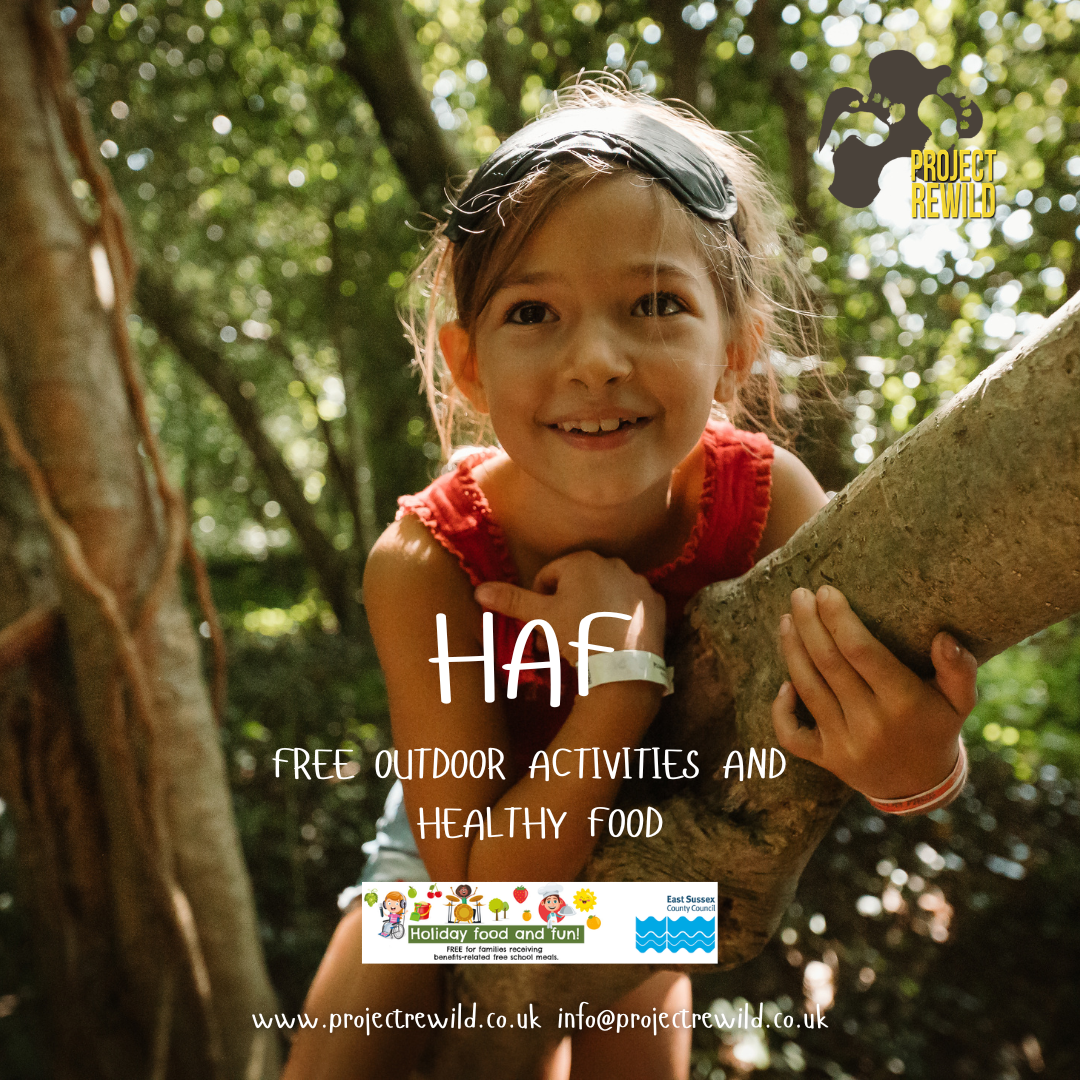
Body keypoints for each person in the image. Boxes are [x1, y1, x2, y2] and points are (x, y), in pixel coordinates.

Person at [283, 82, 977, 1080]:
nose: (597, 361)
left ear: (735, 345)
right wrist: (622, 679)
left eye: (656, 304)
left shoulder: (769, 507)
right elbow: (481, 906)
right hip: (460, 850)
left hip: (657, 849)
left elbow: (878, 737)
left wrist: (922, 765)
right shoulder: (427, 561)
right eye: (533, 312)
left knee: (633, 1012)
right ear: (468, 365)